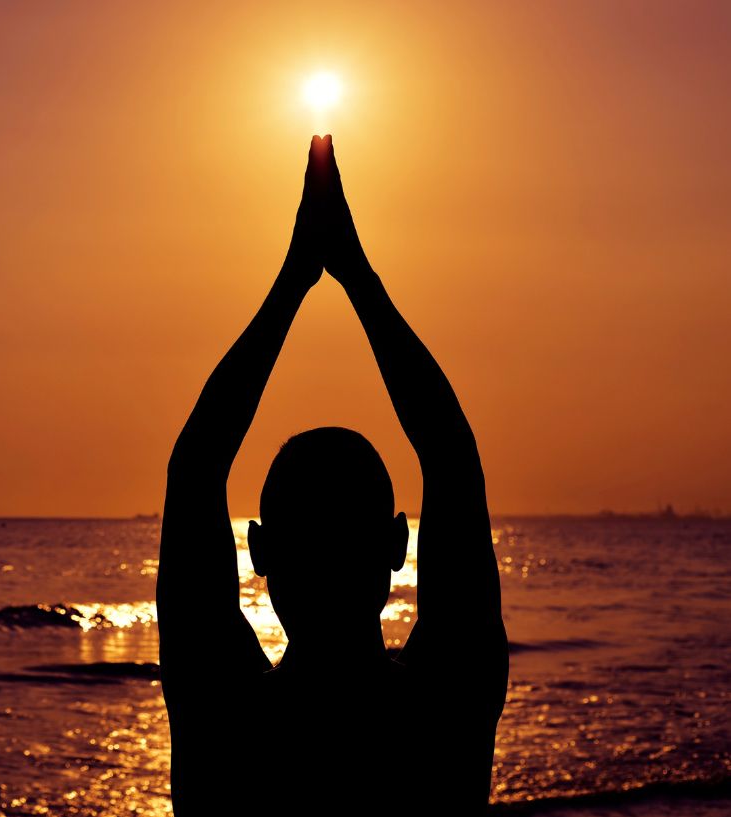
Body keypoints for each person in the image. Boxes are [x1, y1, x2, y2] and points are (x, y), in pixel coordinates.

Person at [156, 135, 509, 813]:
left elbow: (195, 467)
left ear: (258, 550)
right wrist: (355, 274)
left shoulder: (224, 720)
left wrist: (296, 277)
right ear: (399, 544)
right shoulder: (445, 712)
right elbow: (451, 454)